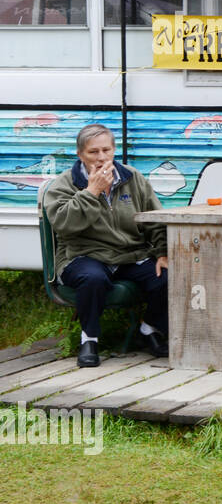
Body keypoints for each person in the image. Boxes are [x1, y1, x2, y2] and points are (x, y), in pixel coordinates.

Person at [43, 123, 169, 367]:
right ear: (80, 154)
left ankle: (149, 329)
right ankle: (89, 339)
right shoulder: (63, 184)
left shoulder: (133, 178)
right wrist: (91, 192)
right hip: (82, 254)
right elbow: (63, 224)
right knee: (93, 278)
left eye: (106, 150)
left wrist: (163, 253)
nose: (101, 158)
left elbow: (154, 219)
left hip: (129, 254)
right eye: (93, 152)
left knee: (167, 275)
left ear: (114, 150)